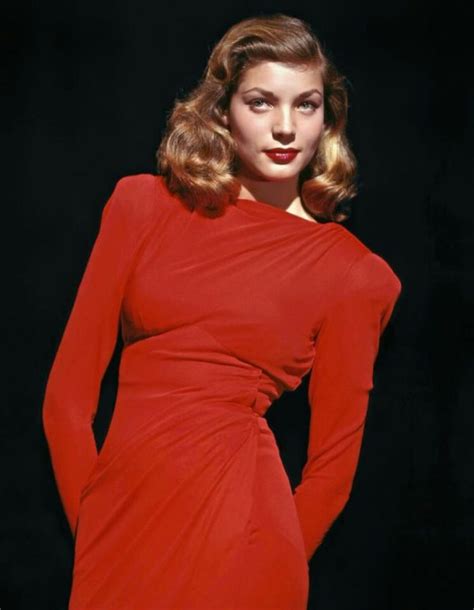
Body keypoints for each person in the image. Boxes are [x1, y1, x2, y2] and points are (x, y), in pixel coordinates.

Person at [42, 12, 402, 610]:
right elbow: (66, 403)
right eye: (261, 103)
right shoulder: (141, 206)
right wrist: (98, 529)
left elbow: (332, 470)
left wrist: (274, 562)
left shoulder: (352, 274)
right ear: (222, 110)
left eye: (306, 105)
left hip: (246, 540)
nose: (286, 127)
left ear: (328, 119)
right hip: (119, 523)